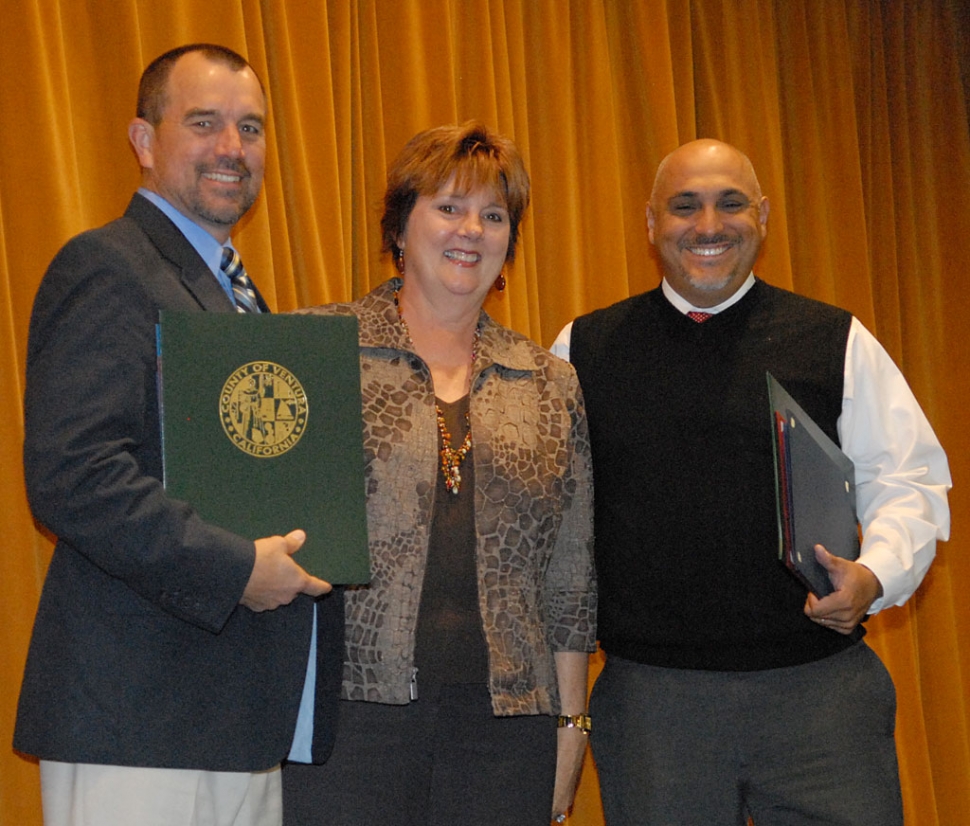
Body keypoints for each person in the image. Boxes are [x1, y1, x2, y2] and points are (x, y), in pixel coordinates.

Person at [551, 138, 951, 825]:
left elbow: (909, 481)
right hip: (654, 708)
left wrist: (875, 575)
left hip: (822, 701)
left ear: (763, 216)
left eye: (730, 203)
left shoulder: (836, 340)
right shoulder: (581, 351)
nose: (709, 225)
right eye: (685, 207)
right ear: (650, 224)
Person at [15, 44, 343, 826]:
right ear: (143, 140)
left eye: (252, 128)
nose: (233, 148)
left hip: (230, 720)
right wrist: (237, 569)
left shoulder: (238, 295)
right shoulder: (107, 266)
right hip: (138, 721)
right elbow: (74, 474)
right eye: (205, 123)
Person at [282, 122, 596, 826]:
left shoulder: (550, 384)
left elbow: (570, 586)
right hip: (344, 718)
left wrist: (570, 732)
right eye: (448, 207)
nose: (471, 231)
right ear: (401, 223)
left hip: (507, 729)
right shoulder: (318, 351)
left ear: (510, 243)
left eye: (493, 216)